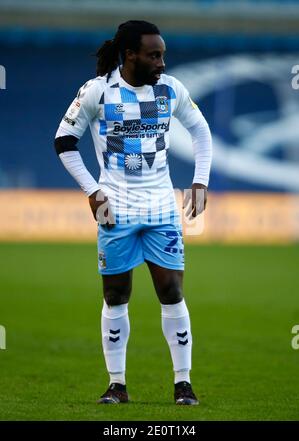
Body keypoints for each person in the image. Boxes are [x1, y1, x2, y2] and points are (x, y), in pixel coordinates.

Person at [54, 20, 212, 405]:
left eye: (163, 55)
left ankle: (183, 383)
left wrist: (200, 181)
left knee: (171, 291)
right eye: (154, 55)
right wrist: (92, 191)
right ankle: (117, 385)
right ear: (130, 55)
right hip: (116, 211)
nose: (161, 62)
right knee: (115, 295)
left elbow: (201, 131)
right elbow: (64, 142)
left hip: (161, 208)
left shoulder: (171, 89)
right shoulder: (97, 91)